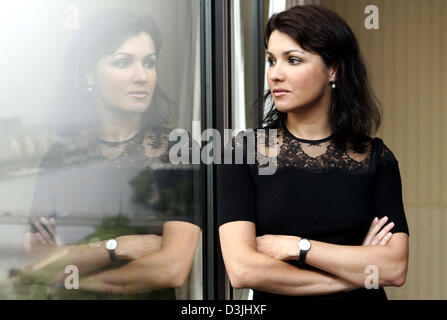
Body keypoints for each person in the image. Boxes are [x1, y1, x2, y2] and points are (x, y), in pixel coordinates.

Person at [218, 5, 409, 300]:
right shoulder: (242, 154)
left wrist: (297, 247)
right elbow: (244, 270)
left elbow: (394, 268)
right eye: (271, 60)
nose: (275, 75)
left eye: (293, 60)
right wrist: (354, 273)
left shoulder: (376, 158)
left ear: (333, 68)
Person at [20, 10, 201, 300]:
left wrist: (71, 270)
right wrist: (118, 247)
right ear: (89, 73)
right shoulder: (62, 156)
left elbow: (170, 269)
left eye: (149, 63)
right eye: (123, 62)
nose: (141, 76)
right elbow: (36, 263)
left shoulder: (177, 151)